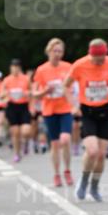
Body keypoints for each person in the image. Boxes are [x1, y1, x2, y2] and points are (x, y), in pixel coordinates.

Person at [64, 39, 108, 202]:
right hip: (88, 111)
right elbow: (65, 85)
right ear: (91, 55)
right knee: (92, 151)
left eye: (103, 57)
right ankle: (83, 180)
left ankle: (94, 186)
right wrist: (73, 105)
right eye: (97, 58)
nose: (100, 61)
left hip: (106, 110)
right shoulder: (79, 65)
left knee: (102, 154)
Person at [32, 39, 74, 185]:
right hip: (49, 111)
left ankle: (67, 170)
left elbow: (75, 87)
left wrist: (73, 100)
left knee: (66, 140)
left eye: (60, 51)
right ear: (49, 51)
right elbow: (35, 93)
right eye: (54, 51)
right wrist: (45, 91)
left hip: (65, 109)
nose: (57, 54)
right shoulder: (41, 70)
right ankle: (56, 174)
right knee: (55, 144)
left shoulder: (68, 67)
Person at [0, 59, 32, 162]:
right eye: (13, 67)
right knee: (15, 132)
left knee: (25, 131)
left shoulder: (26, 78)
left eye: (17, 67)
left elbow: (31, 91)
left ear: (20, 68)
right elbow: (1, 94)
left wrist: (26, 93)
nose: (15, 69)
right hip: (12, 106)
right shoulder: (7, 80)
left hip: (23, 106)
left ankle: (25, 142)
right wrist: (6, 94)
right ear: (10, 68)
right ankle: (17, 153)